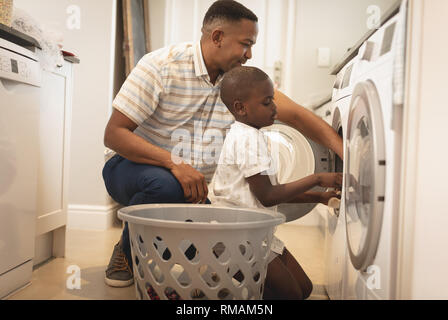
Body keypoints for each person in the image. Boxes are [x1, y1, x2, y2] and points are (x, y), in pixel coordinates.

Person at [102, 0, 343, 291]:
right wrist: (174, 163)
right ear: (217, 37)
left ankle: (179, 262)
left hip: (200, 189)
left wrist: (346, 152)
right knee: (167, 187)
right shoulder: (161, 66)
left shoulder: (239, 86)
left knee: (213, 245)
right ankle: (127, 252)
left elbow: (302, 118)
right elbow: (114, 134)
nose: (250, 54)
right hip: (133, 167)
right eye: (246, 44)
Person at [209, 66, 342, 299]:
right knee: (290, 295)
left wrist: (319, 196)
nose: (275, 108)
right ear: (241, 108)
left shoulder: (254, 135)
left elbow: (273, 191)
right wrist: (317, 179)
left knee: (304, 289)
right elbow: (268, 196)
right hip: (235, 238)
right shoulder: (247, 139)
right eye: (267, 102)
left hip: (255, 232)